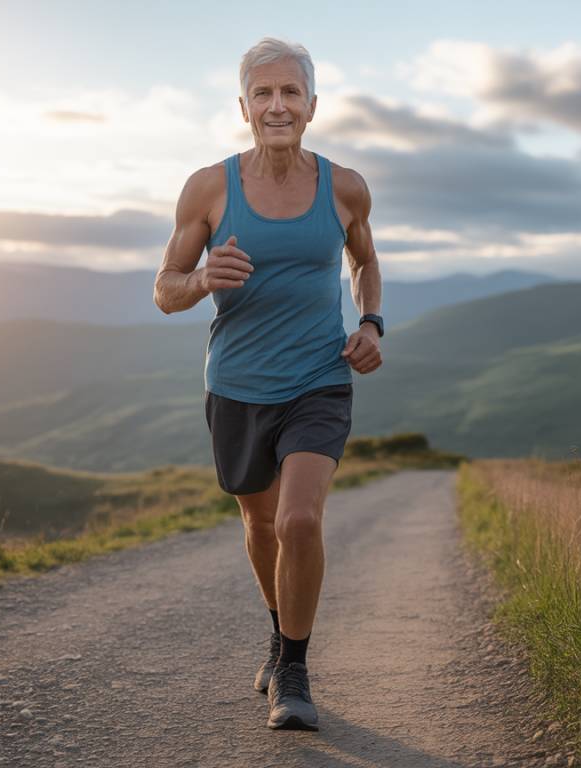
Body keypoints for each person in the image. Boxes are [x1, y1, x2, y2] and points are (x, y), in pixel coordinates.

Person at [153, 37, 384, 731]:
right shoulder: (209, 188)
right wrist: (199, 280)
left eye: (291, 93)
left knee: (299, 520)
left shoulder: (344, 186)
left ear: (312, 105)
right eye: (264, 93)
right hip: (236, 385)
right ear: (244, 106)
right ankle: (279, 628)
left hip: (318, 379)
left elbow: (365, 262)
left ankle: (294, 667)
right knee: (259, 525)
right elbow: (165, 289)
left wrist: (371, 323)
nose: (277, 105)